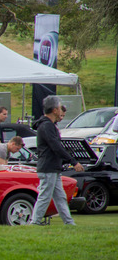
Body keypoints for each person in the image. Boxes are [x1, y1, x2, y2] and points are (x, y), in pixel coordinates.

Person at [30, 97, 83, 226]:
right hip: (48, 168)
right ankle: (35, 223)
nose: (61, 111)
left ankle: (69, 223)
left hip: (53, 168)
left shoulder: (48, 125)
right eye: (59, 108)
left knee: (60, 197)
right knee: (45, 196)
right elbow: (55, 146)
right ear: (54, 110)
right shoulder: (47, 125)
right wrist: (73, 161)